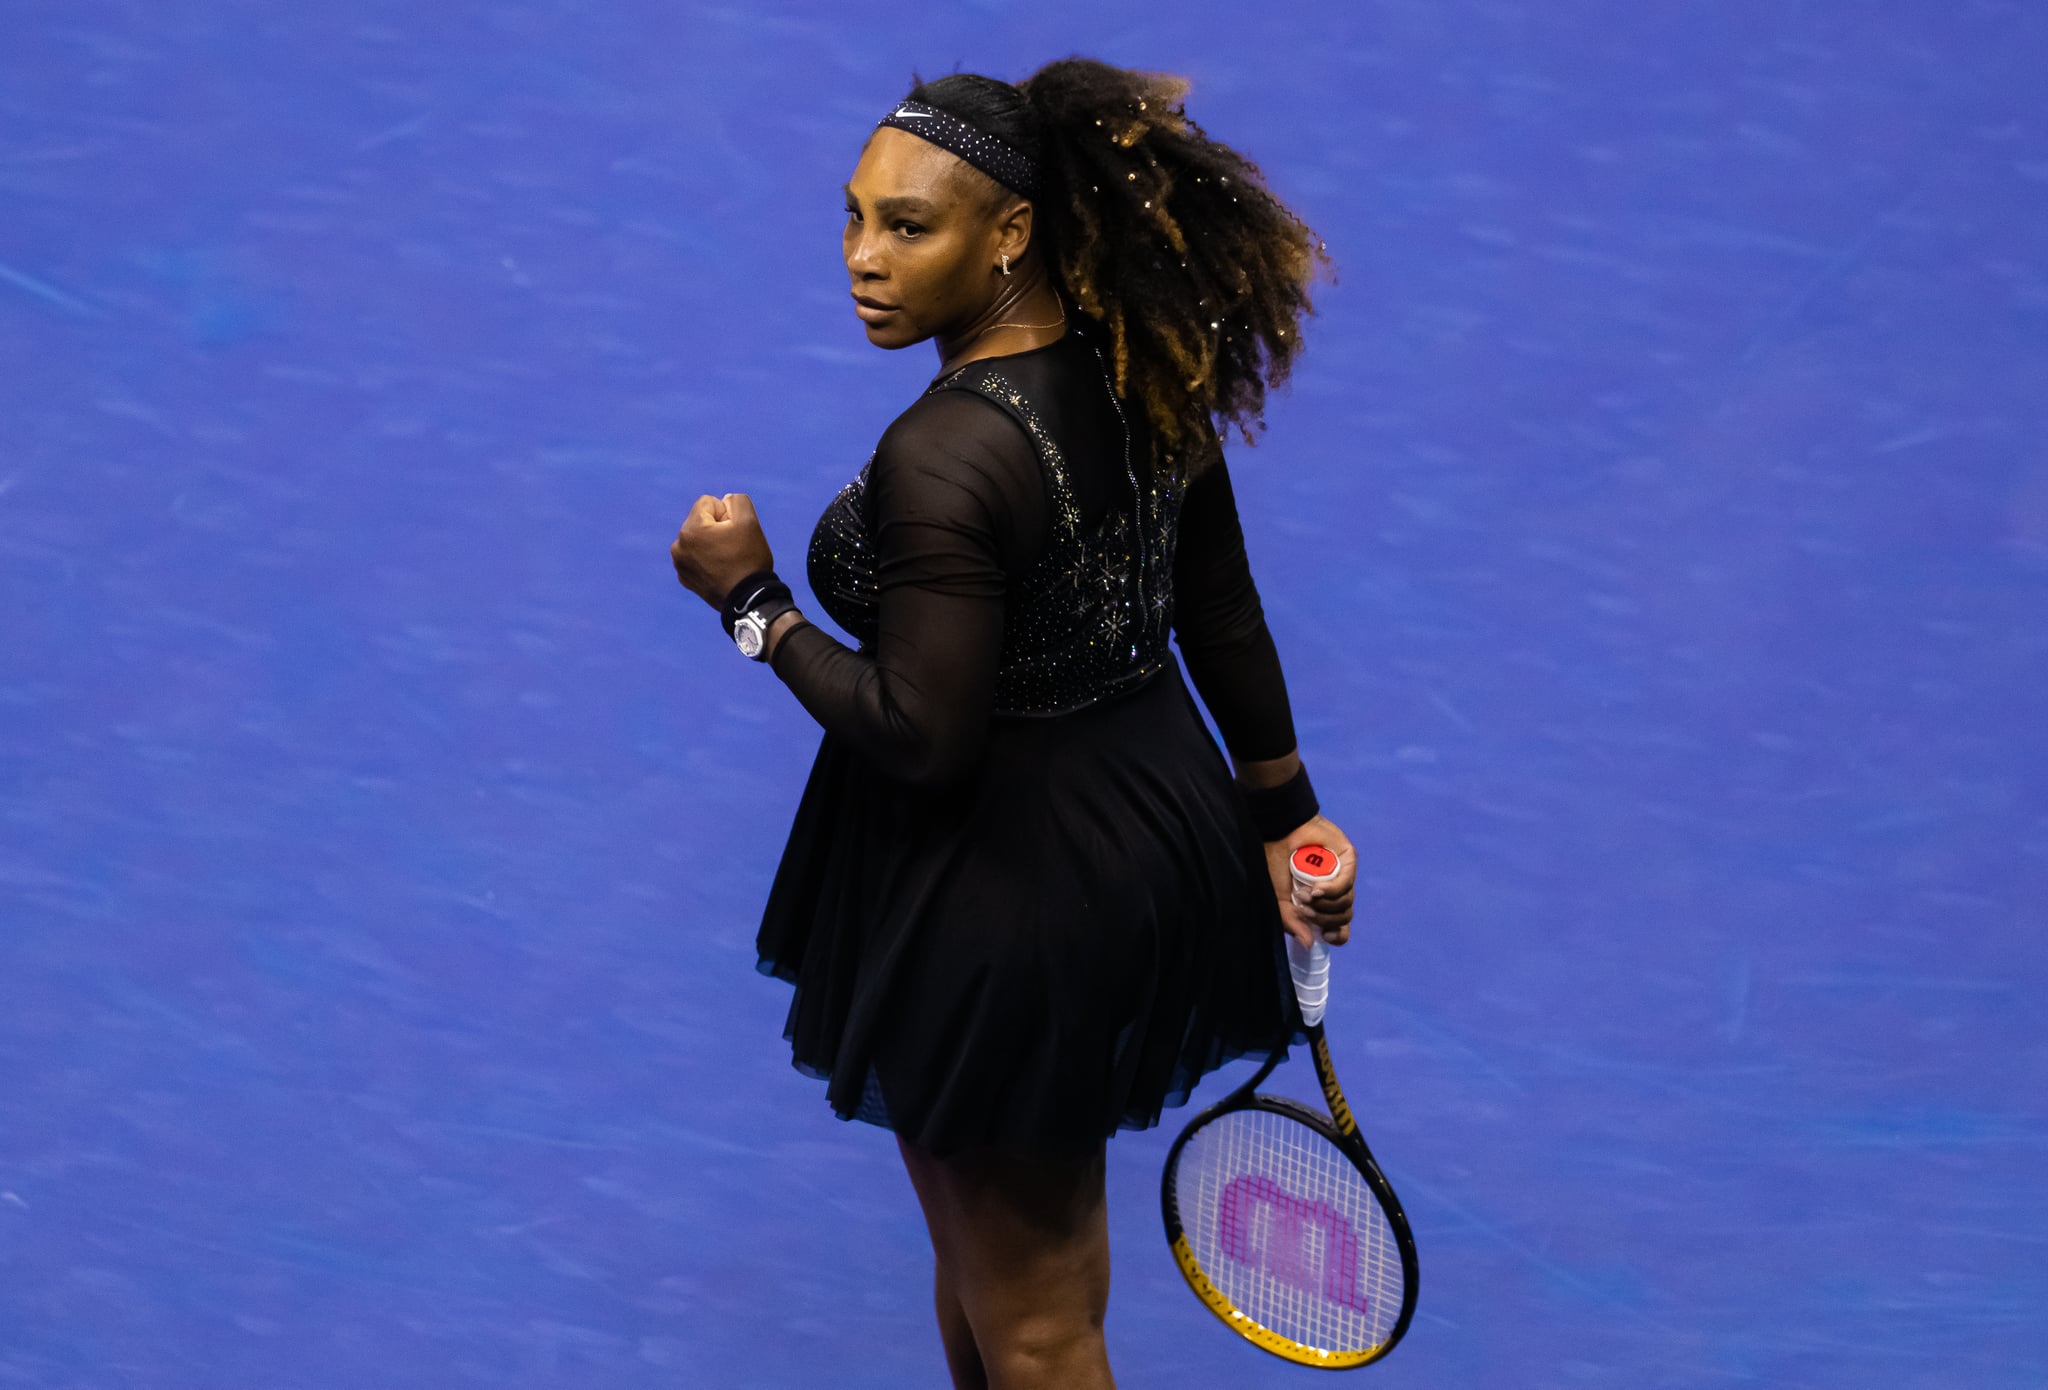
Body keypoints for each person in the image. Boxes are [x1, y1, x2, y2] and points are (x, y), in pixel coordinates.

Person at [669, 57, 1358, 1390]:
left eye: (909, 226)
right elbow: (1218, 607)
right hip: (1146, 829)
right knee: (1005, 1265)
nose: (865, 259)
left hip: (999, 894)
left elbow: (923, 733)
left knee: (1035, 1322)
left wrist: (751, 602)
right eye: (854, 217)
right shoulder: (1138, 362)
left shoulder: (949, 453)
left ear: (1013, 235)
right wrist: (1285, 809)